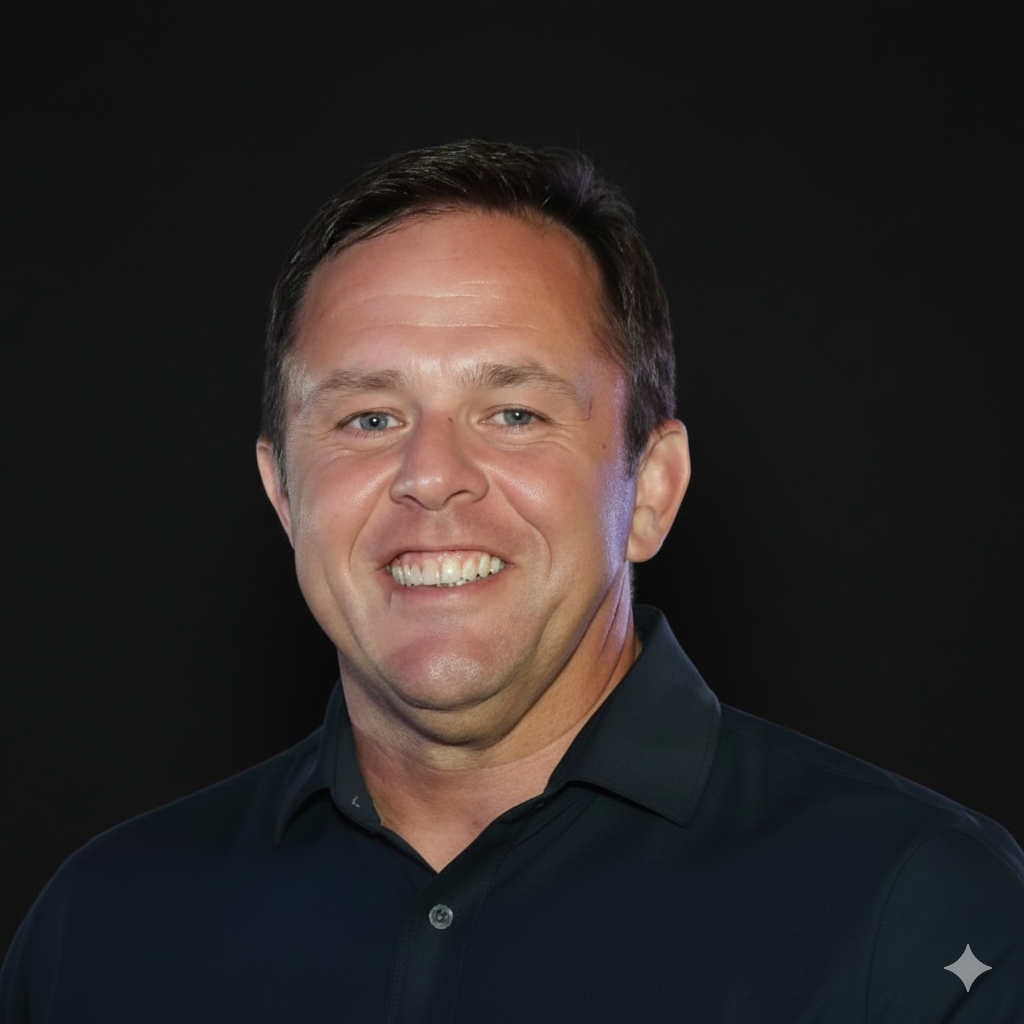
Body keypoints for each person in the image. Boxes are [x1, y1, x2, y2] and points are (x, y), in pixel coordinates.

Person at [1, 140, 1021, 1022]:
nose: (431, 474)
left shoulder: (913, 907)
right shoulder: (101, 926)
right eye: (367, 417)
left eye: (515, 412)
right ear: (282, 494)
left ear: (651, 489)